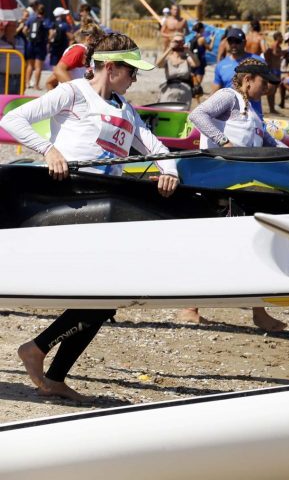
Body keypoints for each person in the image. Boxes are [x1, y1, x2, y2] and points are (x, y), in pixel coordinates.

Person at [0, 33, 179, 401]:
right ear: (110, 67)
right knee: (104, 293)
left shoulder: (126, 108)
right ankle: (41, 355)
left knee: (105, 294)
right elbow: (13, 119)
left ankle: (45, 362)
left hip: (102, 210)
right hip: (67, 205)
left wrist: (169, 171)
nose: (135, 78)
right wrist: (48, 150)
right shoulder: (73, 93)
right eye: (130, 71)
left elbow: (158, 148)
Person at [181, 58, 288, 332]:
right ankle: (190, 308)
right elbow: (197, 115)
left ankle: (258, 312)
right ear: (248, 79)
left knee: (254, 244)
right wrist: (224, 143)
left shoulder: (251, 109)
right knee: (220, 244)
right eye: (264, 83)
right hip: (221, 184)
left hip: (245, 185)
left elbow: (267, 141)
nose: (267, 89)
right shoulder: (228, 97)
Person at [213, 28, 264, 115]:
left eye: (237, 41)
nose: (233, 45)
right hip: (229, 117)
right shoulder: (221, 65)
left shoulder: (257, 61)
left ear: (244, 42)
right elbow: (215, 93)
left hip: (253, 115)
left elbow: (270, 87)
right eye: (230, 42)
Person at [155, 33, 198, 104]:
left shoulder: (187, 58)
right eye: (176, 41)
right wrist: (169, 48)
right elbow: (158, 64)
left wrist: (188, 51)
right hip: (169, 91)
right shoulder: (168, 58)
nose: (178, 44)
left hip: (185, 92)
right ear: (171, 42)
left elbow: (196, 64)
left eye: (181, 41)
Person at [20, 2, 48, 90]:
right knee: (38, 67)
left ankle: (27, 83)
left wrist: (28, 37)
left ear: (36, 11)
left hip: (31, 44)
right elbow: (51, 32)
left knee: (29, 65)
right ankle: (36, 85)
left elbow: (24, 30)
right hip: (41, 45)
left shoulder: (31, 19)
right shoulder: (45, 21)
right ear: (44, 12)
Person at [46, 7, 72, 89]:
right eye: (64, 14)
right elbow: (70, 36)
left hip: (54, 48)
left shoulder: (52, 24)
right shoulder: (65, 25)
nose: (65, 15)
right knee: (61, 67)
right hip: (63, 49)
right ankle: (58, 83)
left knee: (54, 67)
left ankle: (53, 82)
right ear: (61, 15)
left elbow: (50, 37)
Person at [263, 31, 285, 114]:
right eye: (281, 37)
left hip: (278, 71)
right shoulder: (273, 46)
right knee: (271, 90)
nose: (283, 38)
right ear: (278, 37)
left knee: (274, 91)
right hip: (272, 70)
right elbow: (265, 53)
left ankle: (272, 109)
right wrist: (268, 62)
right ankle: (271, 109)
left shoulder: (279, 47)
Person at [188, 22, 208, 101]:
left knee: (195, 83)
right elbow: (209, 48)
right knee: (198, 85)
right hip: (200, 62)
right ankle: (197, 101)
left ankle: (196, 99)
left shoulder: (192, 38)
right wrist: (212, 40)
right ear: (201, 29)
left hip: (193, 61)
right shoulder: (202, 39)